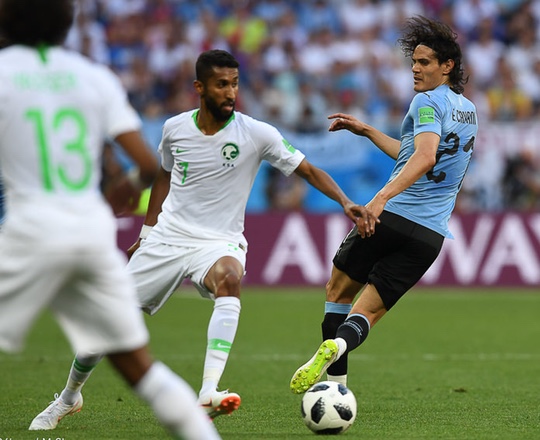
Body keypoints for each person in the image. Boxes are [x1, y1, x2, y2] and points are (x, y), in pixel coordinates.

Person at [31, 48, 377, 426]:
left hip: (218, 241)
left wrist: (345, 201)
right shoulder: (175, 129)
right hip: (168, 236)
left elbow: (307, 170)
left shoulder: (256, 133)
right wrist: (148, 232)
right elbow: (164, 175)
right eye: (221, 84)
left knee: (229, 279)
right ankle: (68, 397)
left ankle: (209, 390)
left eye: (235, 84)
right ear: (200, 87)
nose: (230, 93)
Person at [0, 1, 221, 438]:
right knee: (141, 369)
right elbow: (146, 166)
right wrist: (117, 195)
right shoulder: (94, 77)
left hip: (30, 232)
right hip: (89, 232)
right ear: (66, 23)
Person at [290, 16, 478, 394]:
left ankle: (335, 384)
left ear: (447, 66)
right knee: (367, 313)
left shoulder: (426, 101)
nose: (415, 69)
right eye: (413, 62)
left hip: (391, 217)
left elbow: (423, 157)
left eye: (424, 62)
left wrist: (379, 198)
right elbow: (416, 154)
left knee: (338, 292)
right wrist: (368, 130)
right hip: (429, 235)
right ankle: (338, 354)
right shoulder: (469, 110)